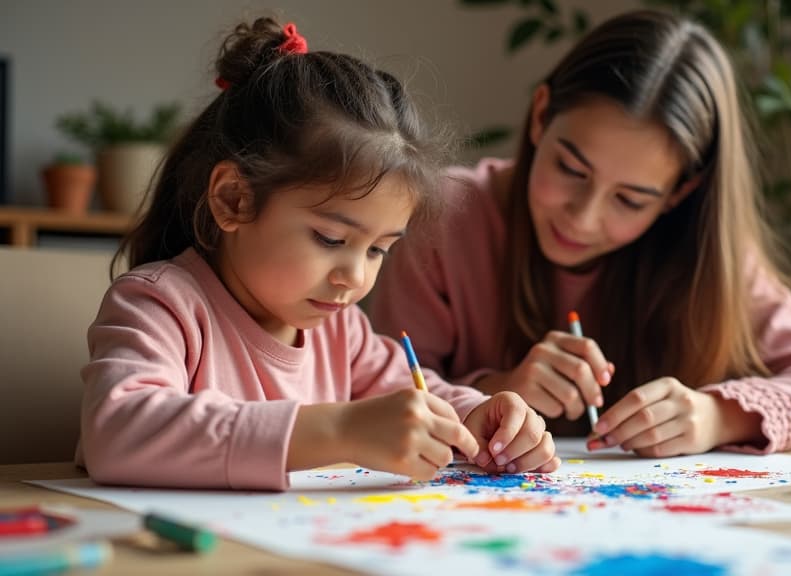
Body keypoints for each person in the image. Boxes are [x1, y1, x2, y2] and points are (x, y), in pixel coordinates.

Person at [371, 10, 791, 457]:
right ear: (541, 116)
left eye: (630, 200)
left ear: (679, 193)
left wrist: (717, 416)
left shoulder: (704, 253)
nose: (583, 217)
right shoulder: (447, 215)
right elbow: (378, 388)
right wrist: (498, 391)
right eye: (571, 169)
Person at [78, 18, 558, 491]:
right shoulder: (159, 305)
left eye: (378, 250)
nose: (354, 277)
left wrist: (479, 414)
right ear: (233, 200)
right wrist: (338, 431)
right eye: (331, 240)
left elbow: (416, 397)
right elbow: (117, 431)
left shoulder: (340, 331)